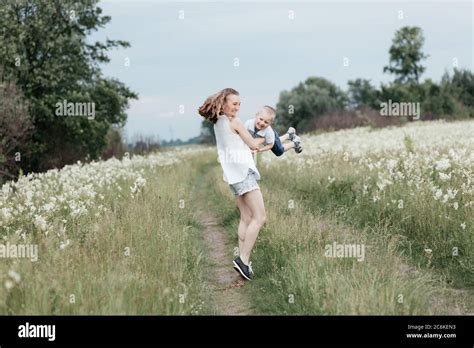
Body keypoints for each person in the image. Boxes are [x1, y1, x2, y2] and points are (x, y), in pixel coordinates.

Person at [198, 88, 265, 281]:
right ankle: (243, 259)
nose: (237, 107)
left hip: (233, 177)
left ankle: (244, 264)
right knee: (260, 218)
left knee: (245, 217)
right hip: (244, 175)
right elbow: (254, 145)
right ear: (224, 103)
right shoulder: (234, 122)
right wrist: (274, 141)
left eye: (239, 104)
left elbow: (239, 143)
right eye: (234, 103)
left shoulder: (218, 123)